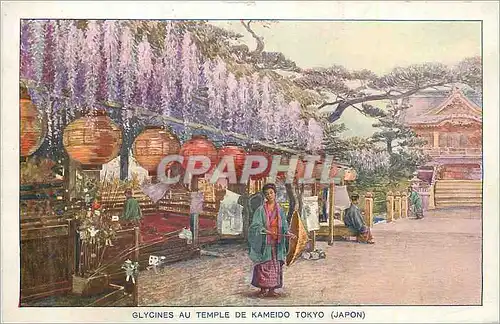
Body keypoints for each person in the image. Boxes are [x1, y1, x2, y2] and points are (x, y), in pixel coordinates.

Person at [247, 183, 296, 298]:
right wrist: (264, 230)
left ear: (275, 194)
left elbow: (284, 226)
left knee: (275, 265)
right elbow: (255, 226)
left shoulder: (280, 210)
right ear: (264, 195)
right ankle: (263, 289)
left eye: (271, 193)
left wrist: (288, 233)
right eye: (267, 193)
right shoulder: (260, 210)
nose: (269, 195)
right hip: (265, 242)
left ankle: (272, 290)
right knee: (264, 264)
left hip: (277, 242)